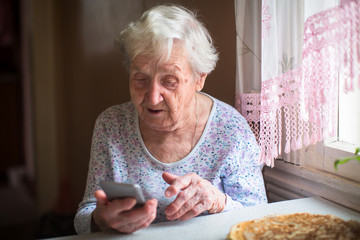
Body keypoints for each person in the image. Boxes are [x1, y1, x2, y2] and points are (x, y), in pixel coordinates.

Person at [74, 4, 267, 234]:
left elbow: (258, 220)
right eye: (140, 79)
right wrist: (101, 220)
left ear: (199, 79)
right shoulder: (111, 125)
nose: (153, 98)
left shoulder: (231, 130)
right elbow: (84, 216)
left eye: (169, 81)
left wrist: (217, 202)